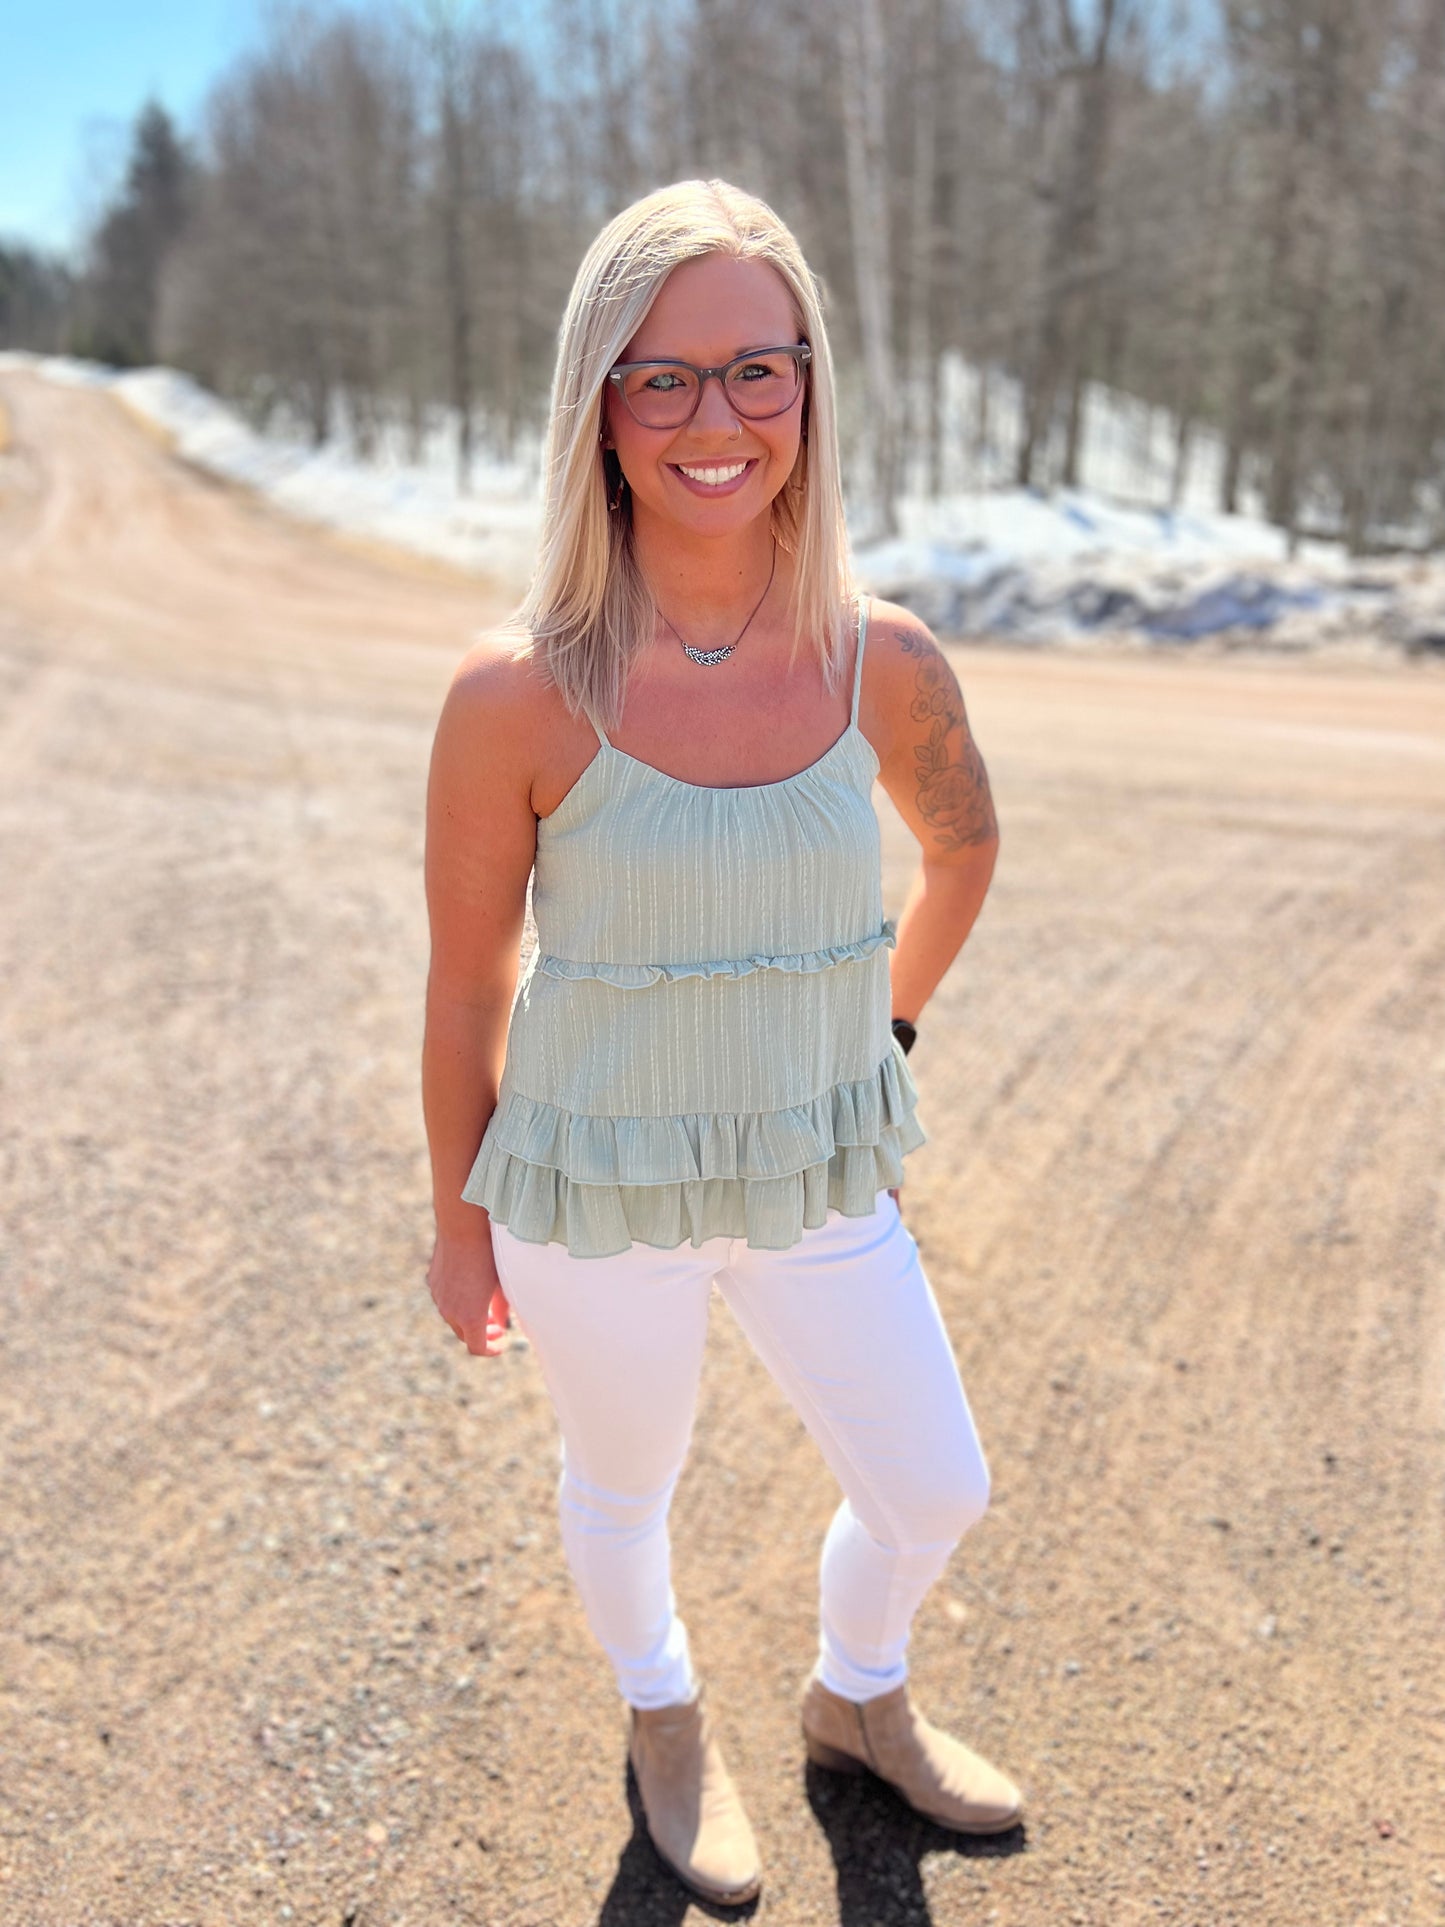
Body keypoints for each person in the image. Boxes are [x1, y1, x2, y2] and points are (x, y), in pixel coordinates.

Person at [421, 179, 1020, 1907]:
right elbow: (467, 983)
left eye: (756, 368)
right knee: (625, 1482)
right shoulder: (515, 691)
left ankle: (858, 1698)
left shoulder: (881, 660)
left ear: (810, 389)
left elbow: (964, 848)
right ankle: (664, 1720)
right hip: (592, 1181)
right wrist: (461, 1224)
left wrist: (880, 1025)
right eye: (658, 377)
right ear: (597, 410)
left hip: (813, 1166)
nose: (714, 418)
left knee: (935, 1483)